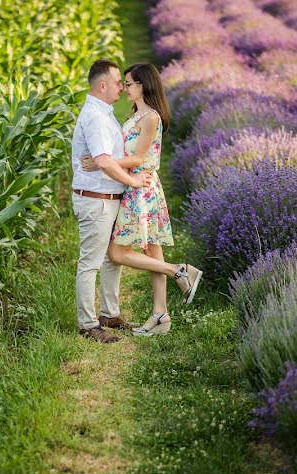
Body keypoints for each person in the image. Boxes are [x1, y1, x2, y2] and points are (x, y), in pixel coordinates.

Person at [81, 63, 202, 337]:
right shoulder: (137, 114)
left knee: (117, 253)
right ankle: (161, 315)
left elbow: (138, 158)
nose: (125, 88)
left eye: (130, 83)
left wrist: (102, 163)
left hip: (141, 189)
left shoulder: (152, 118)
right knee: (152, 252)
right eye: (123, 83)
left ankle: (179, 271)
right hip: (135, 186)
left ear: (144, 85)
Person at [70, 59, 152, 344]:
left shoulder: (103, 113)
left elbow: (106, 158)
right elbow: (104, 161)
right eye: (118, 82)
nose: (122, 86)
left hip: (107, 199)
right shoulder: (95, 117)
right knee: (90, 263)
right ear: (102, 85)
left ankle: (109, 314)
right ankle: (88, 324)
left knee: (110, 260)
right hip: (96, 201)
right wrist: (132, 181)